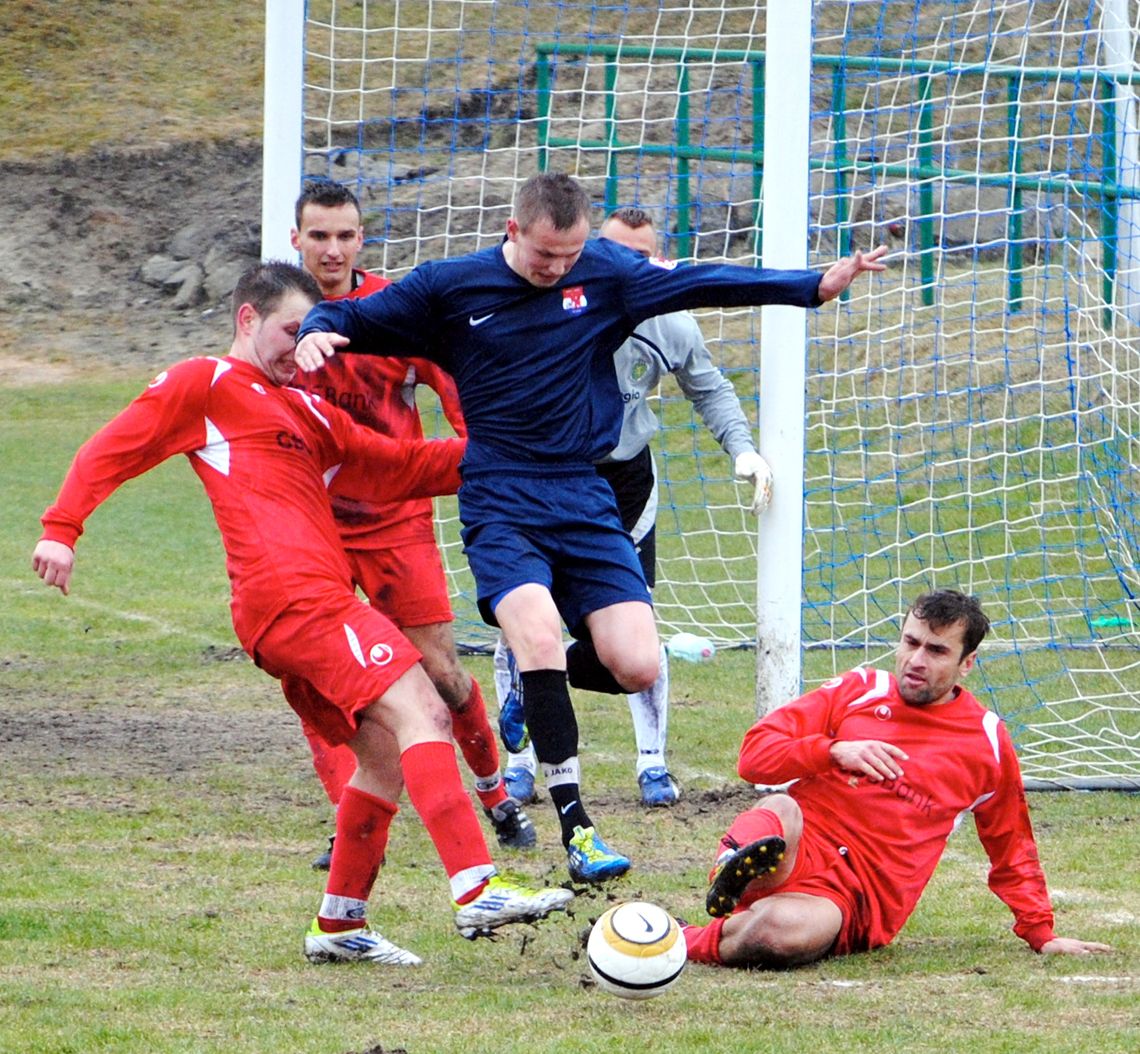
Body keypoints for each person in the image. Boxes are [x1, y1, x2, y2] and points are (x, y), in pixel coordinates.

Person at [294, 172, 887, 884]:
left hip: (584, 493)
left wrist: (811, 285)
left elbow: (700, 282)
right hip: (501, 498)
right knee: (539, 635)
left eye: (571, 256)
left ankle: (527, 690)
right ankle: (578, 830)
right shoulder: (452, 287)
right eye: (547, 256)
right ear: (514, 233)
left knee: (636, 664)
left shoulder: (604, 272)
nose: (559, 269)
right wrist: (313, 333)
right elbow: (360, 315)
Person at [31, 261, 573, 967]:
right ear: (247, 319)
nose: (302, 345)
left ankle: (340, 922)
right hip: (292, 598)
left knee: (381, 757)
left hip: (303, 606)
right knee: (425, 711)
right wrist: (61, 528)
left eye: (312, 331)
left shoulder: (310, 411)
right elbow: (117, 445)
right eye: (292, 329)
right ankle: (476, 887)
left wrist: (506, 456)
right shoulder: (207, 384)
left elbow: (398, 467)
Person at [493, 205, 777, 808]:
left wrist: (744, 450)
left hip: (625, 486)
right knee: (521, 620)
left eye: (642, 256)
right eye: (616, 251)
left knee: (636, 629)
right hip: (545, 480)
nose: (629, 267)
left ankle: (652, 763)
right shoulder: (547, 311)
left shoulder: (668, 321)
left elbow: (709, 387)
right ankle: (517, 766)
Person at [288, 181, 534, 869]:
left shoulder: (398, 310)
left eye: (344, 236)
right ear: (296, 240)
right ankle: (350, 820)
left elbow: (461, 403)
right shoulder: (283, 320)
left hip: (397, 522)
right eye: (318, 236)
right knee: (321, 681)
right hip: (315, 532)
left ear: (361, 240)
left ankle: (493, 790)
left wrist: (487, 468)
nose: (331, 249)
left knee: (440, 670)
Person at [683, 589, 1113, 968]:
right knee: (780, 807)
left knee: (777, 935)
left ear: (967, 663)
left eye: (937, 651)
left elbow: (1012, 844)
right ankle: (732, 872)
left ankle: (680, 940)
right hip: (794, 852)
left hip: (849, 899)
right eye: (911, 642)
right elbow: (754, 757)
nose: (916, 661)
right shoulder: (858, 690)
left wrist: (1041, 932)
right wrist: (832, 751)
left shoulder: (986, 742)